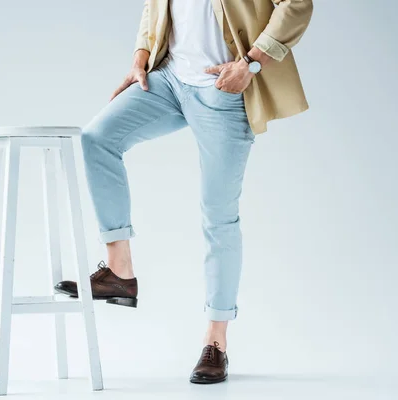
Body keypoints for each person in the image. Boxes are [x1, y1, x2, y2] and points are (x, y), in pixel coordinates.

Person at [55, 0, 313, 384]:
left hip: (223, 90)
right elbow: (154, 7)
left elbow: (297, 4)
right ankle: (118, 270)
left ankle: (216, 342)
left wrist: (252, 63)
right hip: (168, 80)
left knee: (218, 216)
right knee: (97, 138)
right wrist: (140, 57)